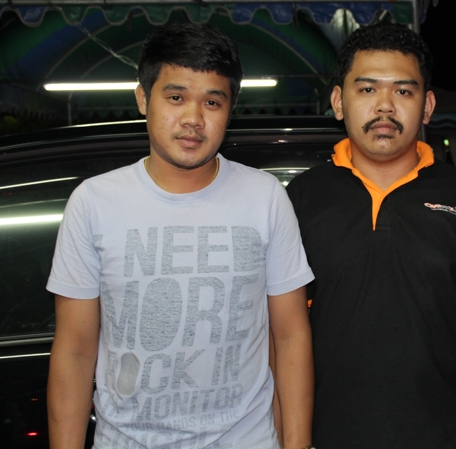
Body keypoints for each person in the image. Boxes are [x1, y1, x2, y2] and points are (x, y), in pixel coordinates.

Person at [46, 23, 315, 449]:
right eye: (175, 98)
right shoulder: (93, 202)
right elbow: (75, 350)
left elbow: (290, 337)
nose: (193, 119)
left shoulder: (265, 197)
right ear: (143, 99)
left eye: (212, 102)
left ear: (230, 109)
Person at [286, 22, 456, 448]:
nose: (385, 106)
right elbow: (287, 336)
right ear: (338, 102)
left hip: (452, 438)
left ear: (427, 106)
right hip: (334, 437)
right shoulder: (301, 199)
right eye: (367, 89)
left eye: (403, 91)